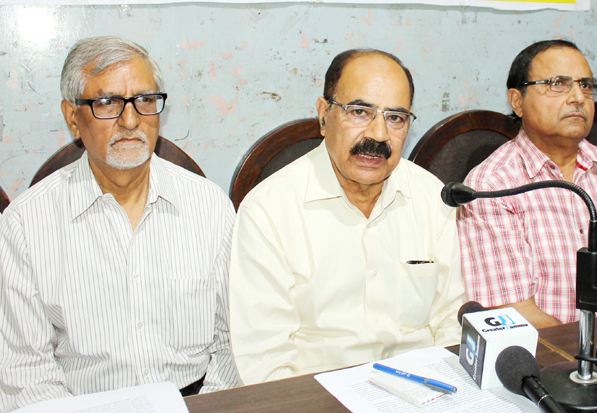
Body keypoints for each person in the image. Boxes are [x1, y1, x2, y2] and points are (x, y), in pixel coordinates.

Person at [0, 36, 239, 411]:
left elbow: (235, 341)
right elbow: (25, 372)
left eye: (145, 100)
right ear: (73, 117)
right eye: (107, 103)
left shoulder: (210, 207)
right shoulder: (25, 224)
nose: (131, 120)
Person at [229, 49, 465, 384]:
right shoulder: (268, 211)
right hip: (318, 396)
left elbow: (451, 321)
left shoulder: (431, 196)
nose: (379, 135)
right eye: (359, 112)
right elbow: (264, 360)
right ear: (324, 115)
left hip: (423, 388)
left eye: (395, 118)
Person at [458, 40, 597, 329]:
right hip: (552, 353)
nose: (578, 97)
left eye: (586, 85)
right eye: (558, 84)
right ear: (517, 101)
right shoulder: (493, 185)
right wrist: (590, 351)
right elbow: (511, 310)